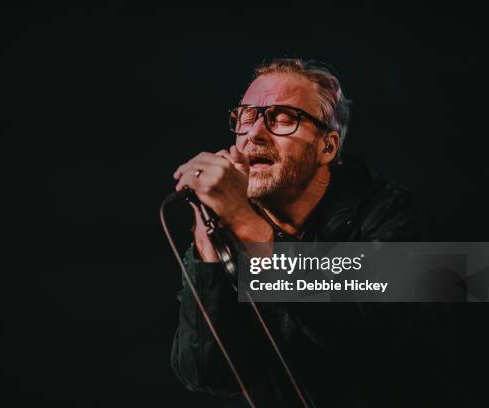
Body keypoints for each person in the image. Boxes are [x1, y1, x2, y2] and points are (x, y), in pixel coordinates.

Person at [170, 58, 469, 407]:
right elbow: (206, 374)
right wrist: (208, 239)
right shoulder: (230, 230)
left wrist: (254, 234)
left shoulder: (395, 215)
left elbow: (374, 340)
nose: (255, 133)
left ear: (327, 147)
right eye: (246, 117)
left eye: (283, 118)